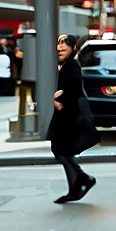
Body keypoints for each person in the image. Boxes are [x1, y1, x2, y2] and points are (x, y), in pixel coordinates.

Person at [46, 34, 98, 204]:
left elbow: (73, 87)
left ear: (73, 47)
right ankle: (76, 185)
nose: (60, 48)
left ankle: (81, 180)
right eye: (58, 45)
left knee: (61, 150)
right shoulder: (66, 65)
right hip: (66, 117)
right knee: (61, 150)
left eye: (64, 45)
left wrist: (60, 99)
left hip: (69, 118)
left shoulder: (72, 65)